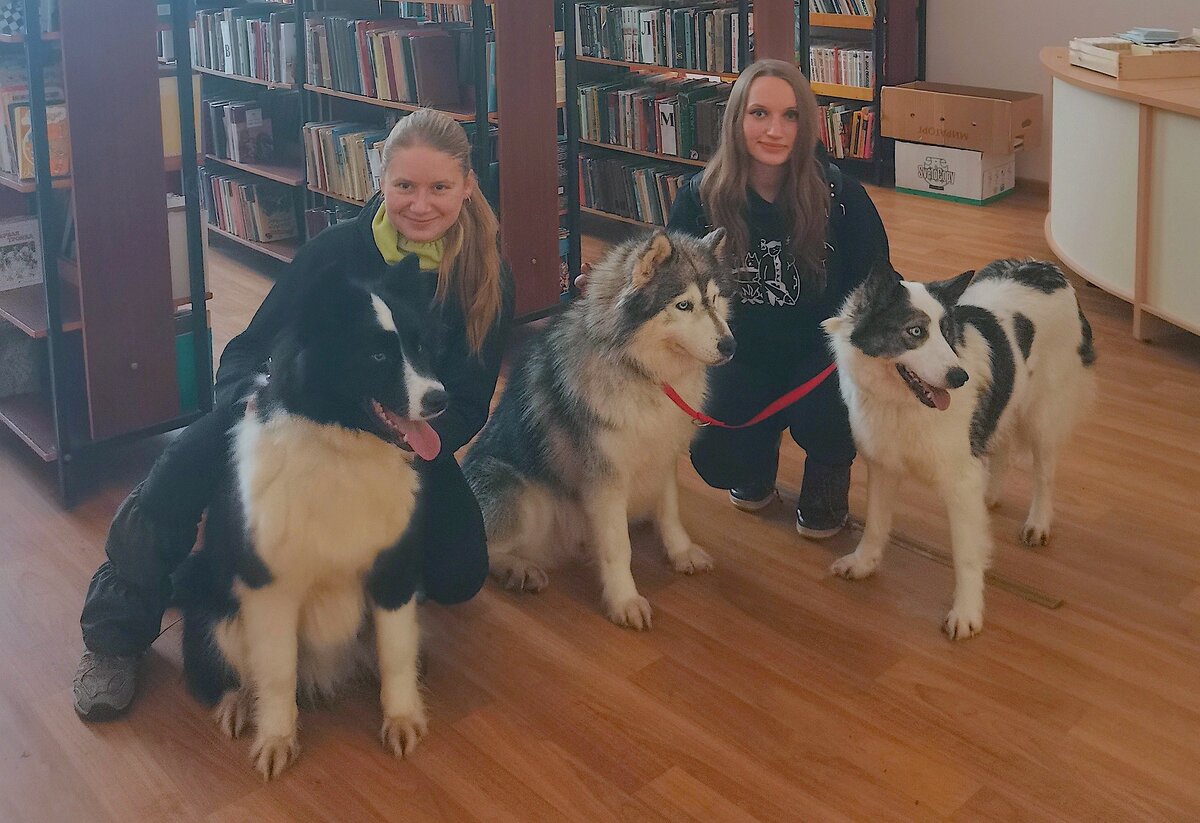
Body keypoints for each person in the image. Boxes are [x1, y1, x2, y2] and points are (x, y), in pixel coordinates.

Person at [72, 108, 515, 721]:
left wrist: (401, 436)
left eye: (439, 187)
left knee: (459, 573)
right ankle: (116, 631)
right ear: (380, 183)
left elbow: (467, 401)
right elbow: (252, 346)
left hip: (404, 440)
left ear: (467, 186)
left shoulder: (488, 276)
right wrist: (242, 408)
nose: (420, 205)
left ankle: (341, 599)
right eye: (404, 186)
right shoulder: (335, 251)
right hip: (288, 423)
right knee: (180, 466)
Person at [666, 59, 890, 539]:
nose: (774, 130)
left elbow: (878, 288)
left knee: (830, 414)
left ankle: (828, 470)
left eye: (790, 116)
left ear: (807, 123)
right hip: (736, 353)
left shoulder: (842, 196)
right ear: (735, 120)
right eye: (759, 113)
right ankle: (756, 451)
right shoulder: (698, 198)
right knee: (717, 458)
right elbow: (674, 297)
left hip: (821, 353)